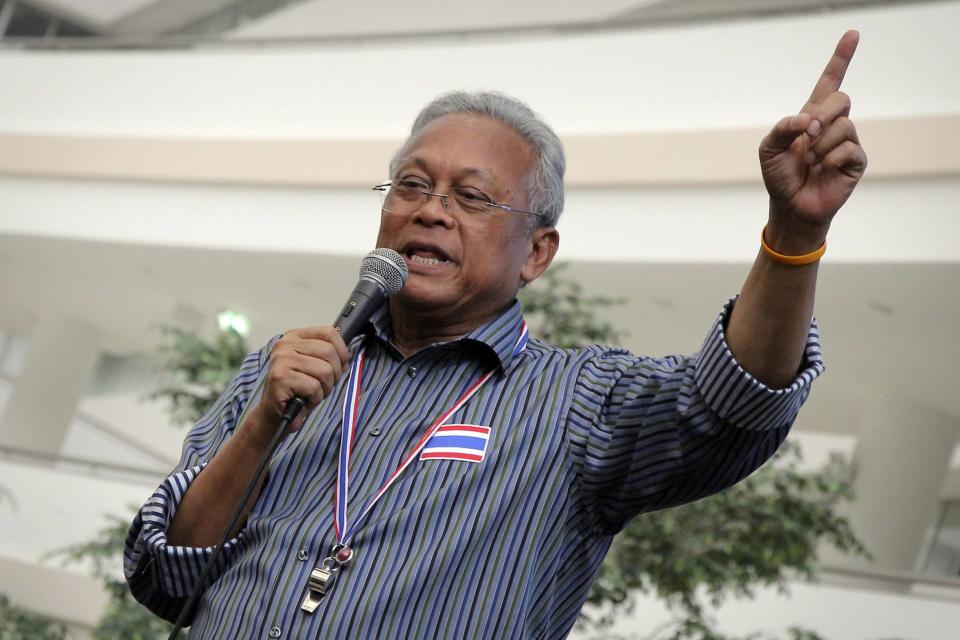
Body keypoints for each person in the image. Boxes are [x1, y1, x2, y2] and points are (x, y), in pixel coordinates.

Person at [124, 31, 866, 639]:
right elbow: (164, 576)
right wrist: (261, 425)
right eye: (411, 186)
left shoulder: (579, 404)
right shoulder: (283, 372)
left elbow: (734, 405)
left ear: (537, 253)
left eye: (471, 197)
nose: (430, 210)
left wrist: (794, 233)